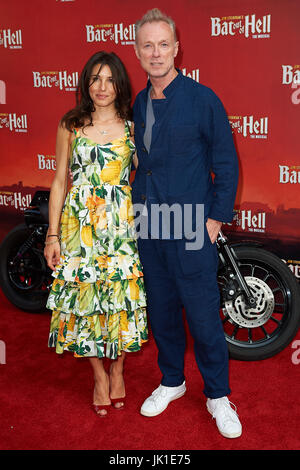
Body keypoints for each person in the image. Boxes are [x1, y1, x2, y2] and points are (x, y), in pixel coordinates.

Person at [132, 9, 242, 438]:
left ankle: (217, 395)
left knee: (202, 316)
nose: (156, 53)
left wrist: (215, 220)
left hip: (194, 227)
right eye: (147, 45)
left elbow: (226, 163)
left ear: (176, 49)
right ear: (137, 52)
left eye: (163, 44)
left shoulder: (203, 99)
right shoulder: (138, 104)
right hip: (149, 226)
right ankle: (172, 381)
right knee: (161, 312)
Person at [44, 51, 148, 417]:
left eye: (109, 79)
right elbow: (59, 181)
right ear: (86, 84)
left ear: (119, 84)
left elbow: (150, 176)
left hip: (121, 229)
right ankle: (99, 375)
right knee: (84, 305)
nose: (102, 87)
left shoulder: (134, 127)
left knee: (119, 302)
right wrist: (52, 236)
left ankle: (118, 368)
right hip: (79, 231)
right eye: (94, 79)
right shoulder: (70, 125)